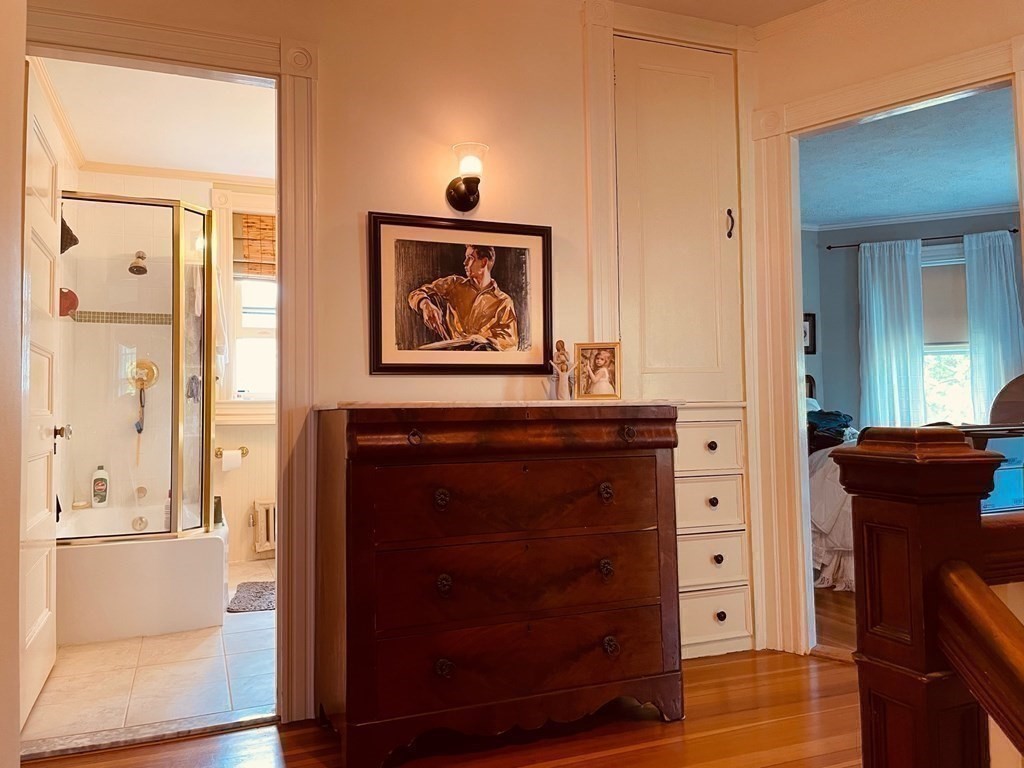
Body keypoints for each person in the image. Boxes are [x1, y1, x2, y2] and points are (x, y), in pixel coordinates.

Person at [408, 244, 519, 351]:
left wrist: (483, 340)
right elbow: (416, 293)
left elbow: (510, 342)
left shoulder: (503, 301)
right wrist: (425, 304)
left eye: (470, 258)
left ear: (484, 262)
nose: (464, 263)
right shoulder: (454, 284)